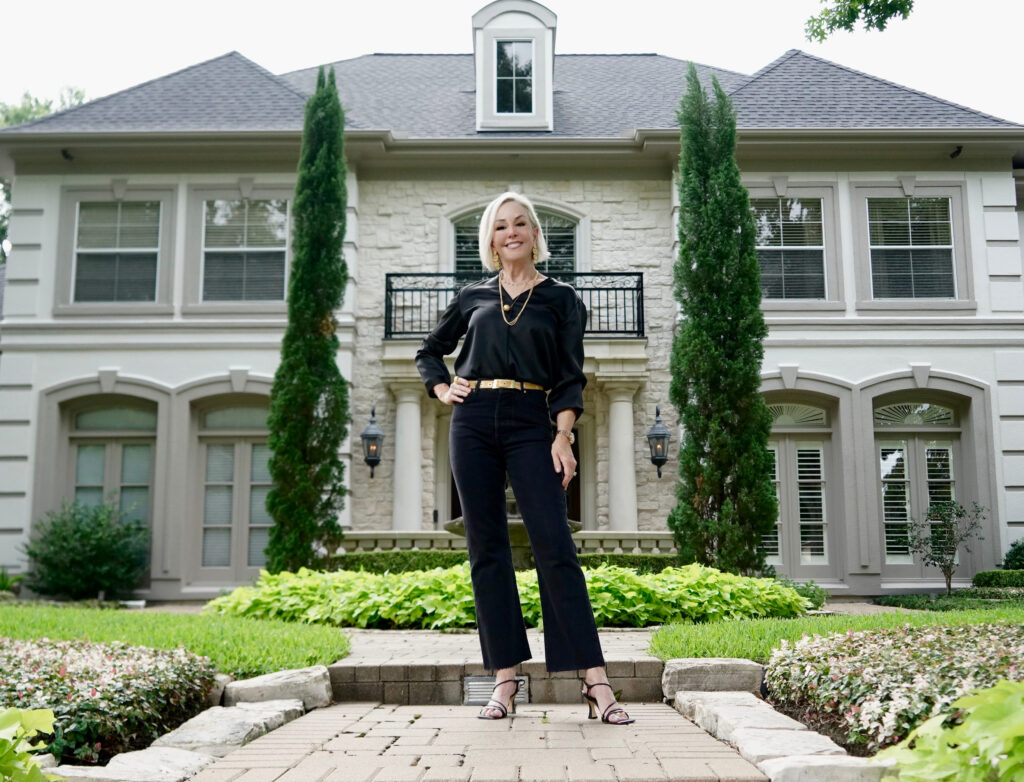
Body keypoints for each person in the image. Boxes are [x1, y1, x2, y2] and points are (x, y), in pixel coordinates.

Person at [415, 191, 634, 725]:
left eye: (520, 224)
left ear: (536, 235)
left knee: (554, 546)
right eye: (499, 227)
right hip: (473, 420)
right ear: (490, 241)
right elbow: (428, 351)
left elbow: (569, 374)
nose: (510, 233)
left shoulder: (562, 299)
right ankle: (505, 681)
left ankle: (594, 680)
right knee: (486, 549)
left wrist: (564, 436)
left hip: (533, 418)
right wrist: (443, 390)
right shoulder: (472, 296)